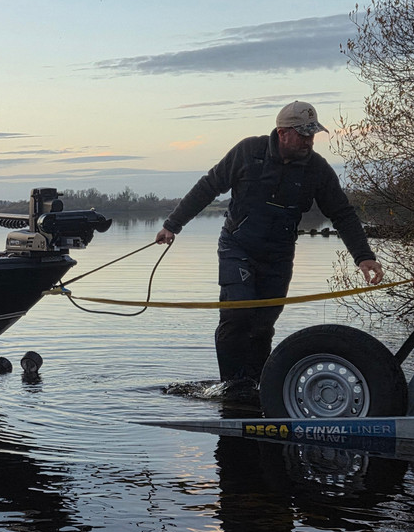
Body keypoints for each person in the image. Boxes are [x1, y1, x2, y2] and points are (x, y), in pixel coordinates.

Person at [155, 101, 384, 385]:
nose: (309, 141)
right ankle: (231, 387)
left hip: (279, 255)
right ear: (282, 132)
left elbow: (342, 213)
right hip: (237, 248)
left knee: (262, 326)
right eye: (303, 134)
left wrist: (363, 256)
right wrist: (172, 225)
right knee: (238, 317)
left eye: (312, 134)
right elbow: (209, 186)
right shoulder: (249, 152)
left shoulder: (317, 169)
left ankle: (257, 386)